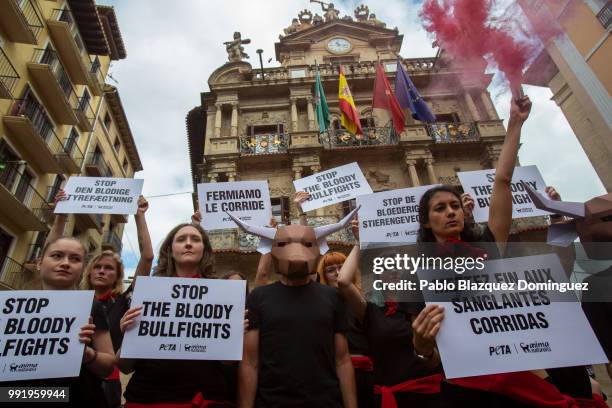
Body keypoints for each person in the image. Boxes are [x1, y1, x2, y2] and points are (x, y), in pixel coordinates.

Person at [233, 211, 358, 408]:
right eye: (283, 244)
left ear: (318, 248)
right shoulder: (258, 297)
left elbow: (342, 360)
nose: (296, 252)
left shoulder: (333, 297)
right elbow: (249, 362)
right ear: (272, 249)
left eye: (307, 244)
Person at [118, 223, 232, 407]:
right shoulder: (149, 292)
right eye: (181, 239)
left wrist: (232, 335)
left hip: (206, 399)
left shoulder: (222, 295)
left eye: (195, 239)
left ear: (205, 250)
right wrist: (129, 336)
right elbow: (125, 366)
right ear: (170, 250)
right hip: (147, 399)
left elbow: (228, 361)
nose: (188, 243)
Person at [1, 237, 115, 408]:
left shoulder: (92, 306)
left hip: (77, 396)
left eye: (75, 259)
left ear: (83, 268)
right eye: (57, 256)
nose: (65, 263)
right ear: (39, 263)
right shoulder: (10, 308)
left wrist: (87, 355)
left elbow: (108, 365)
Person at [79, 195, 154, 408]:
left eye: (109, 268)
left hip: (106, 384)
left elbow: (147, 257)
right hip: (64, 383)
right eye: (98, 266)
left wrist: (139, 215)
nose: (102, 271)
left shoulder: (123, 301)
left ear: (118, 275)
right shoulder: (73, 299)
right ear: (89, 271)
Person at [318, 250, 374, 408]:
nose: (337, 273)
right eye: (330, 270)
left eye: (342, 267)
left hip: (367, 372)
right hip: (333, 373)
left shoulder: (365, 298)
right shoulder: (320, 305)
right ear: (323, 275)